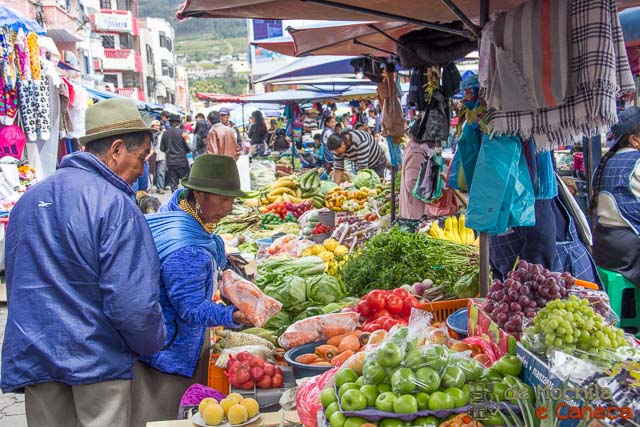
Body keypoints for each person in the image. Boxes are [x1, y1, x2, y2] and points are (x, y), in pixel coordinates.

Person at [1, 98, 166, 426]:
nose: (143, 168)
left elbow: (18, 282)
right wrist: (153, 343)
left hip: (37, 356)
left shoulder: (29, 200)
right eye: (142, 156)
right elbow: (131, 304)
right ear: (117, 149)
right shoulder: (115, 204)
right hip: (96, 361)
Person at [130, 155, 251, 426]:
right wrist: (232, 316)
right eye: (224, 199)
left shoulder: (176, 207)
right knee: (168, 415)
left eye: (233, 199)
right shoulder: (188, 248)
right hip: (170, 350)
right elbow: (191, 308)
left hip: (156, 337)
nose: (230, 208)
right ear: (199, 194)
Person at [592, 107, 640, 289]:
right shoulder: (637, 162)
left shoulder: (605, 163)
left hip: (604, 245)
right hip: (629, 251)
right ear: (634, 140)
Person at [162, 114, 191, 192]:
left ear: (170, 122)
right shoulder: (183, 133)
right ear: (178, 123)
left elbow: (162, 149)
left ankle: (175, 201)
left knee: (173, 184)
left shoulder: (165, 133)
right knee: (186, 183)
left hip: (170, 162)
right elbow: (189, 148)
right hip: (182, 161)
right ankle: (186, 201)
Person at [151, 119, 167, 194]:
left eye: (158, 125)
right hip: (153, 155)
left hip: (161, 155)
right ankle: (155, 185)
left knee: (160, 172)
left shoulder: (162, 134)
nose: (157, 127)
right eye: (155, 125)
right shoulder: (150, 135)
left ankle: (160, 187)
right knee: (154, 172)